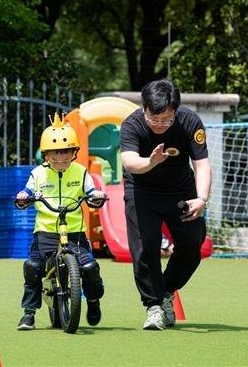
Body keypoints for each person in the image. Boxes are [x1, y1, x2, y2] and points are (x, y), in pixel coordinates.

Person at [120, 78, 211, 330]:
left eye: (166, 119)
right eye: (154, 118)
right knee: (145, 247)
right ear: (144, 108)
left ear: (175, 112)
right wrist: (150, 162)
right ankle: (154, 306)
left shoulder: (189, 122)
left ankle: (167, 290)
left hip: (180, 190)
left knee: (193, 243)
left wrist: (201, 198)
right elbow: (129, 162)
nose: (160, 124)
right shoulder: (132, 124)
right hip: (141, 189)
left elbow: (201, 163)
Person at [15, 113, 107, 330]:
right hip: (45, 232)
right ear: (46, 154)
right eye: (55, 155)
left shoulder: (81, 171)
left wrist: (96, 196)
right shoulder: (37, 174)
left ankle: (93, 302)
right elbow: (26, 191)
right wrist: (23, 196)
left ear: (74, 153)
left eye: (66, 154)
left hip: (74, 232)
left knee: (90, 267)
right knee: (33, 267)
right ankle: (29, 313)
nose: (61, 160)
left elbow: (91, 191)